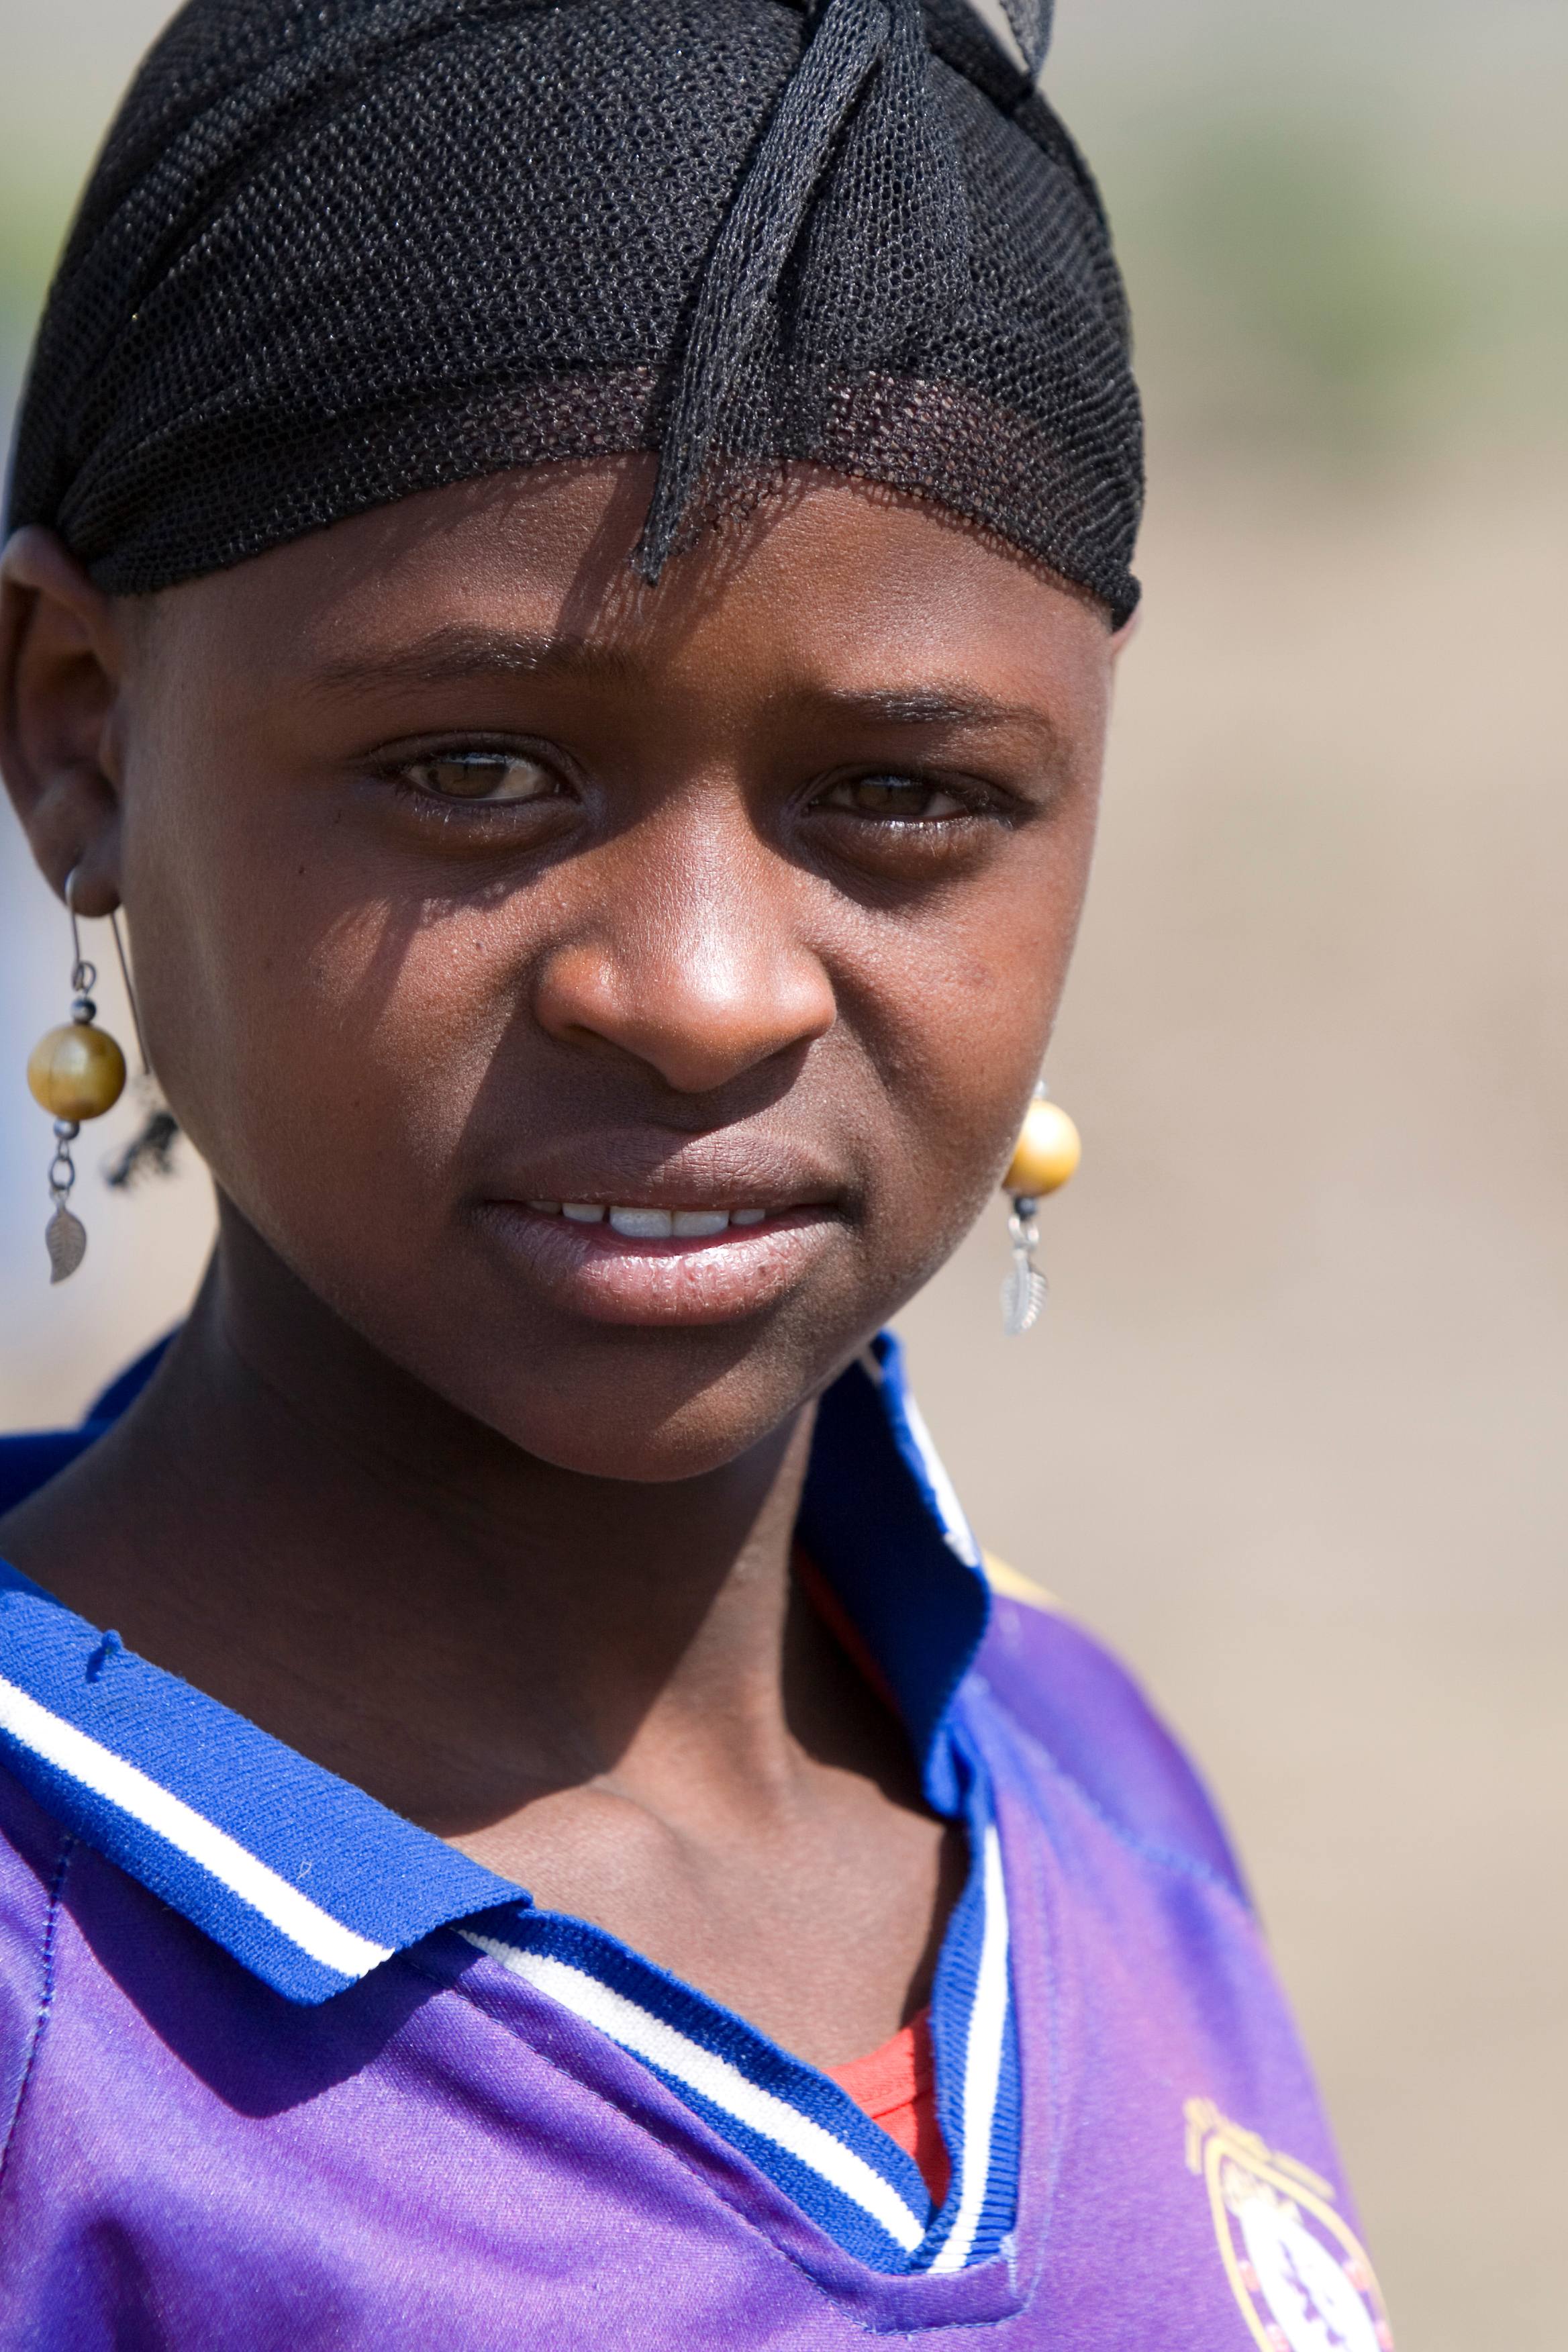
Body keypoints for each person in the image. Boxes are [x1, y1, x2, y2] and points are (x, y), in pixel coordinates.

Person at [0, 1, 1394, 2344]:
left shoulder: (1084, 1781)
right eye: (474, 769)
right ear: (77, 732)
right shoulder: (61, 2012)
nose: (705, 989)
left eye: (904, 798)